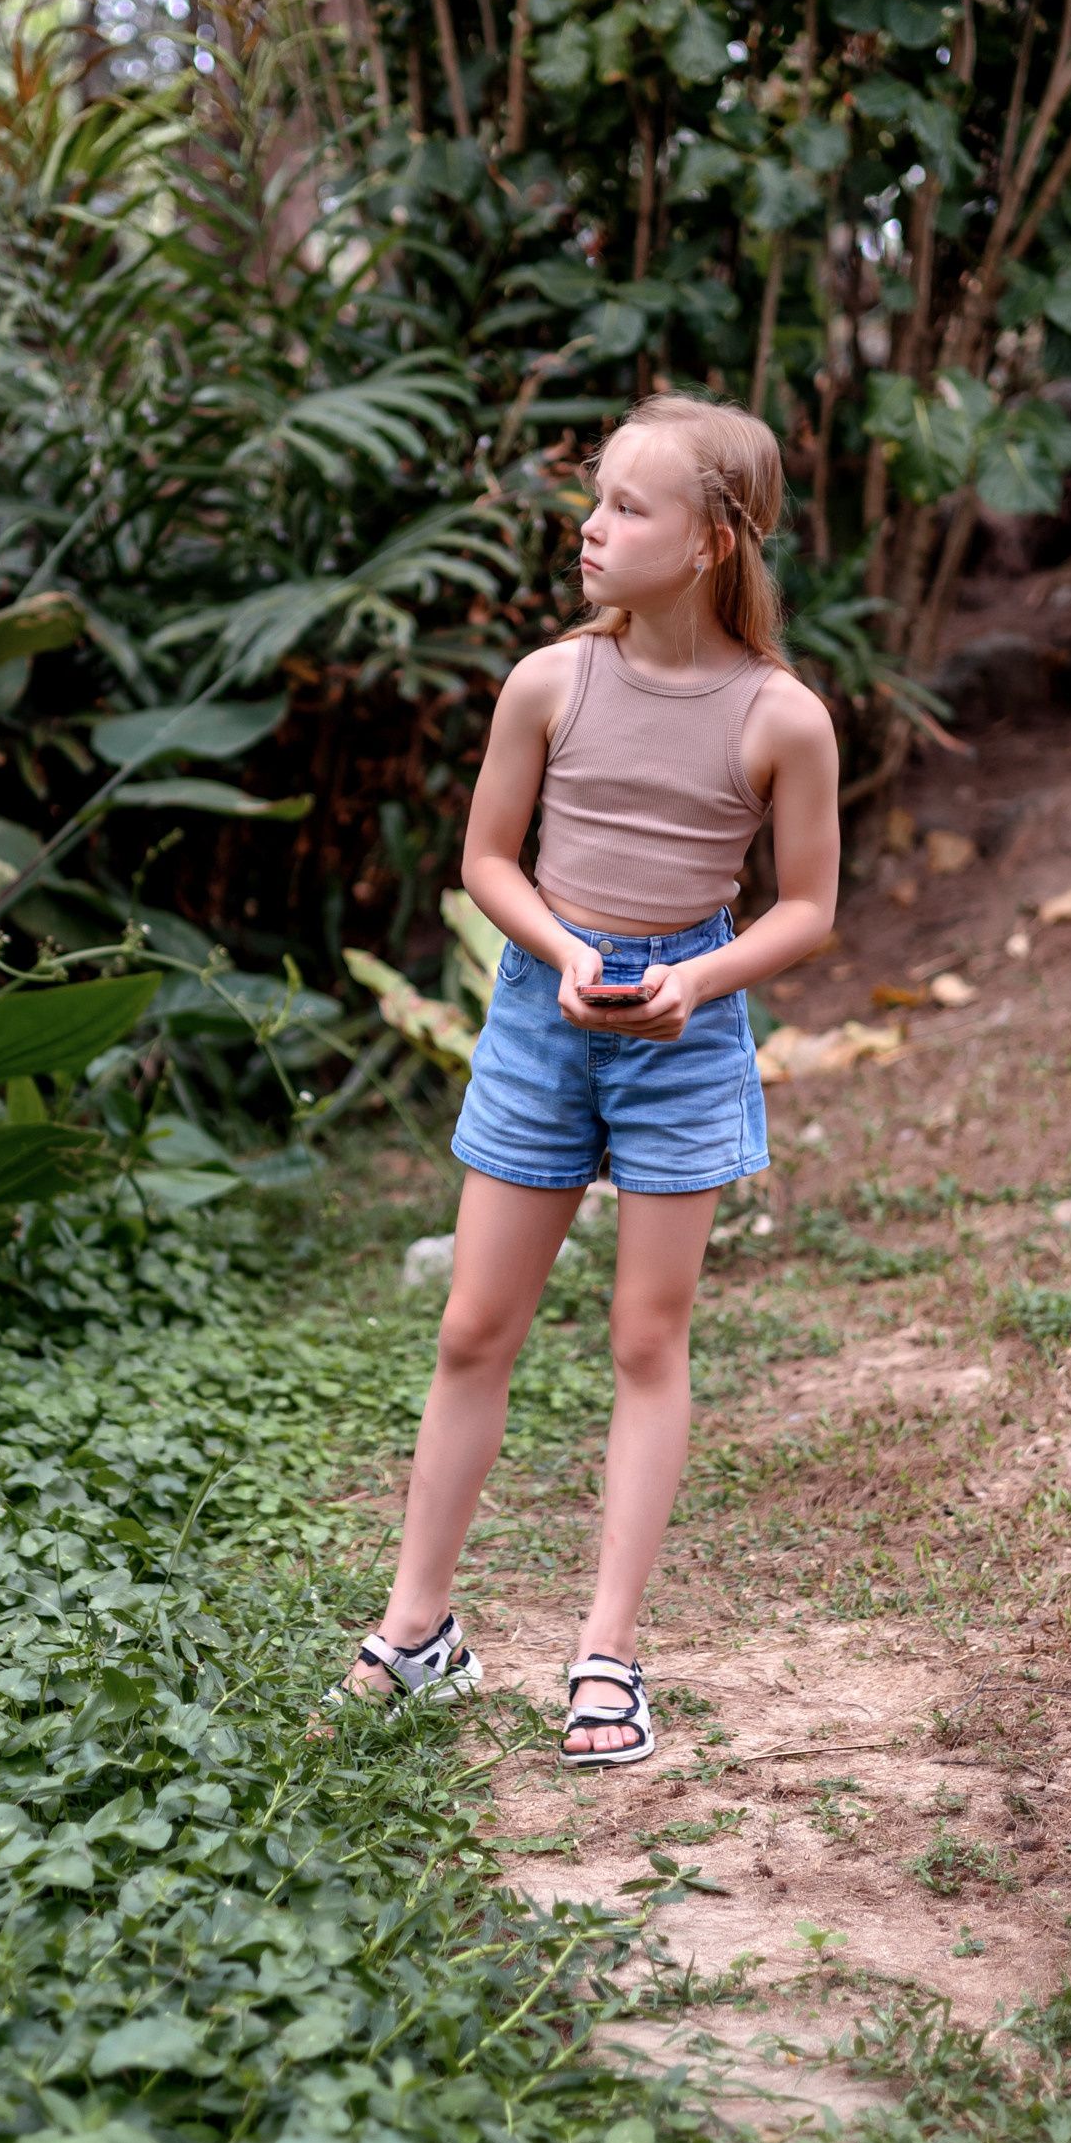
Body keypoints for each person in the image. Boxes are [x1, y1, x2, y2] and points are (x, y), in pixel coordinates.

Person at [330, 391, 840, 1765]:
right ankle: (417, 1629)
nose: (591, 525)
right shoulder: (551, 681)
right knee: (472, 1327)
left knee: (643, 1340)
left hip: (686, 1032)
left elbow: (806, 910)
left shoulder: (782, 718)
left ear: (713, 543)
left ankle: (607, 1651)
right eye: (595, 498)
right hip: (543, 1018)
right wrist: (566, 953)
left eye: (626, 505)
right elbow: (488, 862)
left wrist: (695, 980)